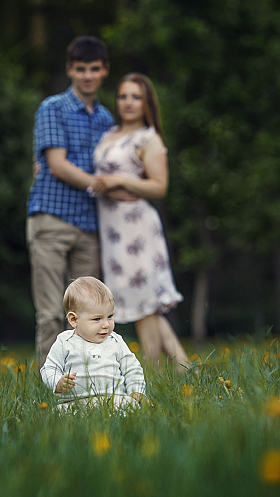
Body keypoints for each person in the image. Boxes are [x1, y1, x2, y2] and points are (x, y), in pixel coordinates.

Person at [27, 36, 133, 366]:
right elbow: (57, 165)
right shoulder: (52, 108)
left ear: (104, 71)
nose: (87, 76)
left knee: (91, 314)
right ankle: (50, 388)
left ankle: (89, 382)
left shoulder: (107, 120)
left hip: (89, 226)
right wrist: (108, 188)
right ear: (70, 70)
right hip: (52, 220)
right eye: (81, 69)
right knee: (49, 313)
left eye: (94, 69)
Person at [94, 73, 191, 372]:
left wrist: (120, 180)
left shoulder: (149, 138)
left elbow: (159, 187)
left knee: (144, 304)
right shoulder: (109, 133)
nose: (128, 102)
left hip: (136, 229)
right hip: (112, 231)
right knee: (140, 304)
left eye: (135, 97)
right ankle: (186, 369)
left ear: (147, 101)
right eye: (123, 96)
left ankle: (152, 375)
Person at [40, 276, 147, 409]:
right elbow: (49, 368)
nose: (106, 324)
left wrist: (136, 391)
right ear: (74, 320)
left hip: (114, 400)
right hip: (76, 402)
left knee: (131, 405)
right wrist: (57, 382)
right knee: (59, 411)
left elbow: (132, 368)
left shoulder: (115, 340)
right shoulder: (65, 341)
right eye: (97, 319)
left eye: (110, 316)